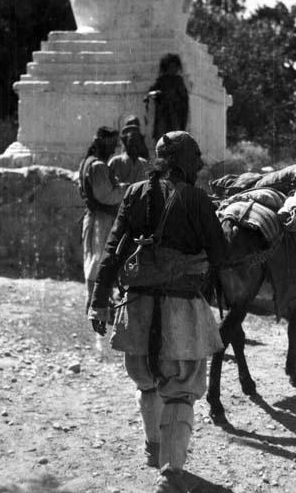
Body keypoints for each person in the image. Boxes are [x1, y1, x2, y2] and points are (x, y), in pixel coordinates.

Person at [87, 131, 227, 493]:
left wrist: (99, 302)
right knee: (180, 391)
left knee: (147, 381)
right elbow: (222, 257)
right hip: (182, 314)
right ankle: (170, 474)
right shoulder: (197, 200)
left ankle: (153, 448)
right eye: (195, 157)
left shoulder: (134, 193)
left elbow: (112, 252)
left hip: (137, 311)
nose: (199, 164)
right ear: (183, 160)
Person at [78, 126, 128, 310]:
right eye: (112, 145)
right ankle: (95, 302)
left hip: (93, 217)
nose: (114, 149)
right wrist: (125, 188)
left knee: (92, 257)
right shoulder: (98, 166)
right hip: (102, 219)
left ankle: (93, 300)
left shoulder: (86, 162)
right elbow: (106, 196)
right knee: (99, 259)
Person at [146, 54, 189, 143]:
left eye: (174, 67)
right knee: (162, 135)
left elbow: (184, 97)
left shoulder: (178, 80)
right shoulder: (161, 80)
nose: (172, 69)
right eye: (170, 67)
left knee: (175, 135)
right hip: (163, 112)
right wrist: (157, 93)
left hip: (175, 113)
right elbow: (151, 92)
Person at [109, 117, 150, 185]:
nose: (134, 144)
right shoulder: (115, 162)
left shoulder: (144, 163)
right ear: (125, 142)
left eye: (137, 141)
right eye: (131, 141)